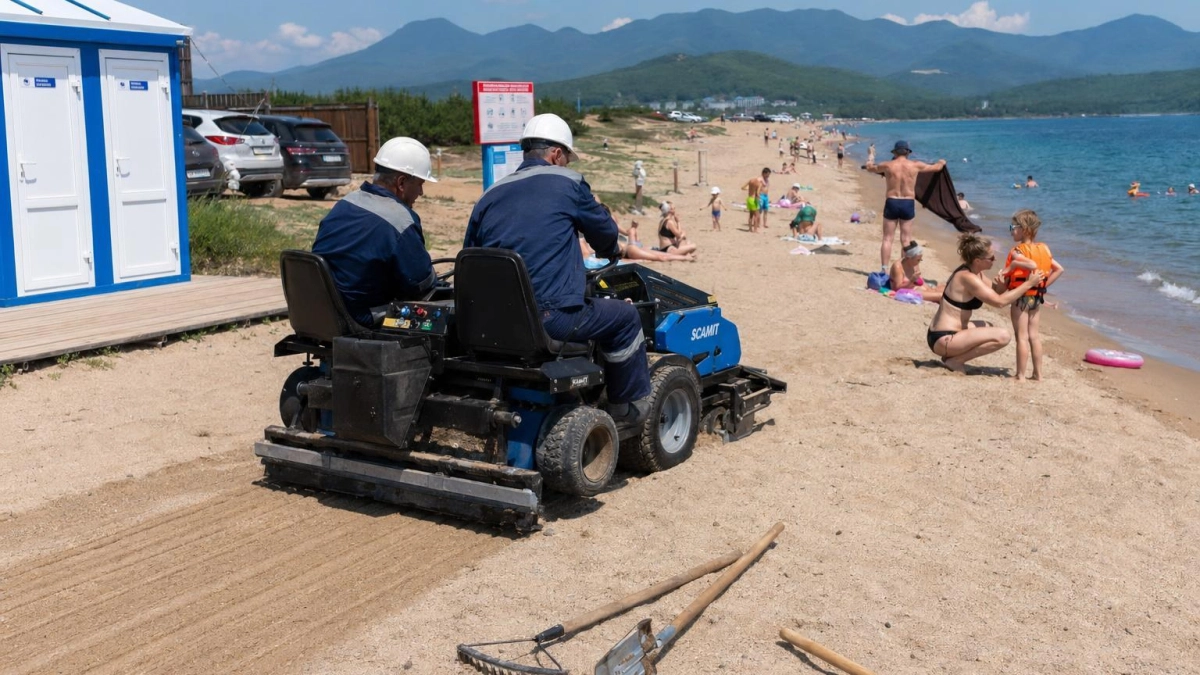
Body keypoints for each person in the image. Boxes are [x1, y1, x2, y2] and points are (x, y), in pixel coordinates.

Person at [464, 113, 651, 423]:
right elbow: (603, 231)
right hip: (551, 321)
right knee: (627, 317)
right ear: (555, 154)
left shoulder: (489, 195)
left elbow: (471, 253)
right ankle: (622, 407)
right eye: (566, 159)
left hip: (495, 323)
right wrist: (610, 249)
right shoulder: (567, 182)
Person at [311, 137, 437, 327]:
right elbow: (421, 285)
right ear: (401, 183)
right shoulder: (400, 221)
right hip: (360, 317)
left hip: (322, 312)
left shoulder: (345, 204)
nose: (420, 192)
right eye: (420, 184)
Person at [927, 234, 1044, 373]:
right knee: (1003, 336)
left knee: (987, 326)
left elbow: (996, 292)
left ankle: (954, 357)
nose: (994, 260)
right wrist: (1029, 284)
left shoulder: (975, 272)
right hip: (944, 338)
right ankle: (955, 360)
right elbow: (1000, 302)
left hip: (948, 333)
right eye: (991, 258)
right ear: (977, 260)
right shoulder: (967, 278)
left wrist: (1003, 283)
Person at [997, 209, 1064, 381]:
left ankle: (1020, 375)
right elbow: (1058, 269)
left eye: (1013, 227)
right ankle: (1038, 375)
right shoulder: (1044, 249)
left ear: (1024, 229)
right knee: (1034, 336)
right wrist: (1041, 287)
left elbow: (1028, 264)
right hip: (1036, 297)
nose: (1011, 230)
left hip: (1020, 297)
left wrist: (1009, 270)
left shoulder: (1017, 251)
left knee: (1022, 337)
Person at [865, 140, 946, 273]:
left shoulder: (887, 165)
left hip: (892, 201)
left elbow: (869, 167)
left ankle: (884, 270)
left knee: (887, 238)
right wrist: (942, 162)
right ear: (908, 152)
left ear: (895, 152)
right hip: (907, 203)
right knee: (906, 239)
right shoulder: (915, 165)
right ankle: (904, 270)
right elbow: (936, 168)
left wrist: (870, 155)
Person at [742, 167, 770, 233]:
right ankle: (755, 230)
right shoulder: (759, 183)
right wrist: (759, 198)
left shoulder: (751, 181)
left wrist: (749, 190)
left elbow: (742, 187)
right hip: (754, 199)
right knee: (756, 215)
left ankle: (750, 229)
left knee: (751, 215)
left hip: (749, 198)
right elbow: (757, 193)